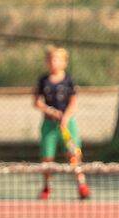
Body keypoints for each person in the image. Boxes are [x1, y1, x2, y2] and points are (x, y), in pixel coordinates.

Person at [33, 46, 90, 200]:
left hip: (67, 125)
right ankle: (46, 187)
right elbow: (37, 102)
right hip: (49, 125)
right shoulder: (43, 81)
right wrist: (51, 112)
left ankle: (82, 185)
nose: (53, 62)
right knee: (47, 158)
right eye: (51, 59)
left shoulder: (69, 80)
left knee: (73, 155)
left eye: (57, 59)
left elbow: (73, 103)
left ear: (64, 62)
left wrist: (65, 118)